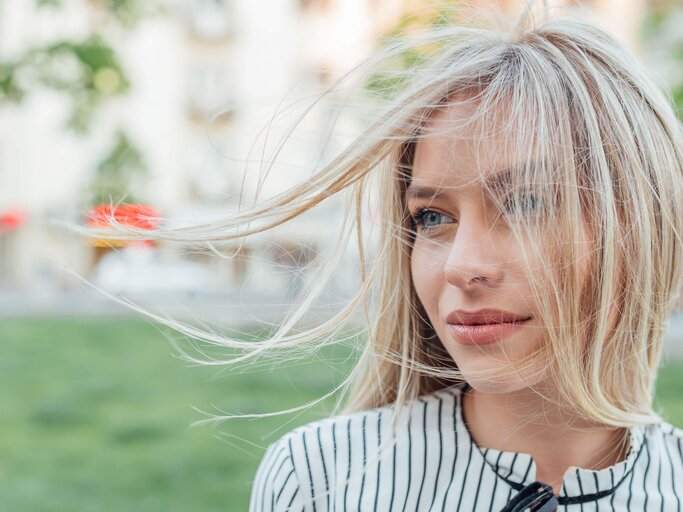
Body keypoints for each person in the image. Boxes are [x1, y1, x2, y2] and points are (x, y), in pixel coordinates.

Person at [64, 1, 683, 511]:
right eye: (433, 217)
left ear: (639, 223)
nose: (462, 266)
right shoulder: (321, 480)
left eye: (524, 204)